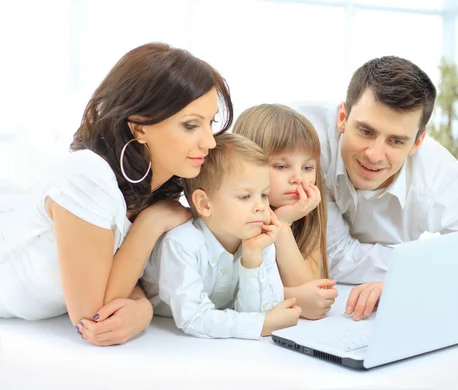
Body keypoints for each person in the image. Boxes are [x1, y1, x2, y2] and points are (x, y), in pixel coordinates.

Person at [0, 42, 233, 346]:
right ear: (138, 127)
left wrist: (139, 304)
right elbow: (93, 314)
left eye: (210, 123)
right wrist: (150, 227)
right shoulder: (88, 176)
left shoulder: (154, 192)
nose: (209, 142)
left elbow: (111, 274)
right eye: (190, 126)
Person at [290, 56, 458, 321]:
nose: (375, 155)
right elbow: (332, 255)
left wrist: (411, 281)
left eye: (396, 141)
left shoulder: (437, 178)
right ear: (342, 117)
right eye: (365, 131)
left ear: (418, 142)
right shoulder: (300, 137)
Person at [140, 133, 302, 339]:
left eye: (264, 194)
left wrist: (252, 258)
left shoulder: (259, 241)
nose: (261, 207)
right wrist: (262, 324)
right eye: (245, 196)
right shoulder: (182, 243)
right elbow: (193, 318)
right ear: (205, 204)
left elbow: (259, 314)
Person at [233, 104, 338, 320]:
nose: (299, 178)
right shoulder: (233, 219)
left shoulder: (301, 215)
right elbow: (227, 295)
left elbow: (311, 293)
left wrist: (283, 225)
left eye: (308, 168)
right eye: (282, 166)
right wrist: (290, 296)